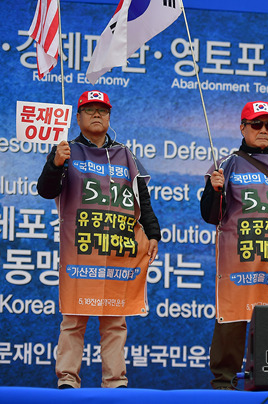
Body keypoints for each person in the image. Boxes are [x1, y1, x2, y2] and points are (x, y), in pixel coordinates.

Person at [37, 90, 160, 388]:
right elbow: (46, 190)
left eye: (102, 110)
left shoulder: (125, 154)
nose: (96, 114)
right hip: (81, 250)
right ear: (78, 117)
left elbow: (141, 198)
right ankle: (67, 380)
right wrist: (56, 164)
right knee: (73, 318)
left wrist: (153, 233)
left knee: (116, 320)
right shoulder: (65, 149)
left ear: (109, 117)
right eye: (89, 110)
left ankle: (115, 382)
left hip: (118, 249)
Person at [200, 101, 268, 390]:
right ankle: (223, 384)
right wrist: (215, 190)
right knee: (233, 318)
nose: (264, 130)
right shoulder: (226, 165)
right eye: (256, 124)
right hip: (240, 261)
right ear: (242, 127)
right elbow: (211, 216)